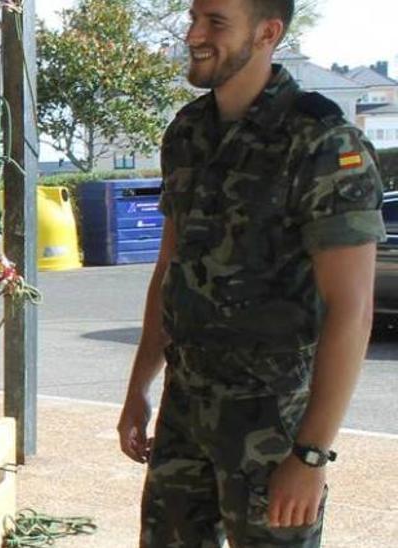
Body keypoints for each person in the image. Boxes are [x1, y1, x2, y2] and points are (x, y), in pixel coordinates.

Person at [115, 0, 384, 545]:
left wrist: (311, 454)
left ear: (267, 32)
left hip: (273, 422)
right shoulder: (187, 133)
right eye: (193, 18)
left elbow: (351, 310)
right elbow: (170, 270)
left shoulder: (322, 140)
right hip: (186, 408)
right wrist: (140, 387)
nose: (193, 34)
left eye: (215, 22)